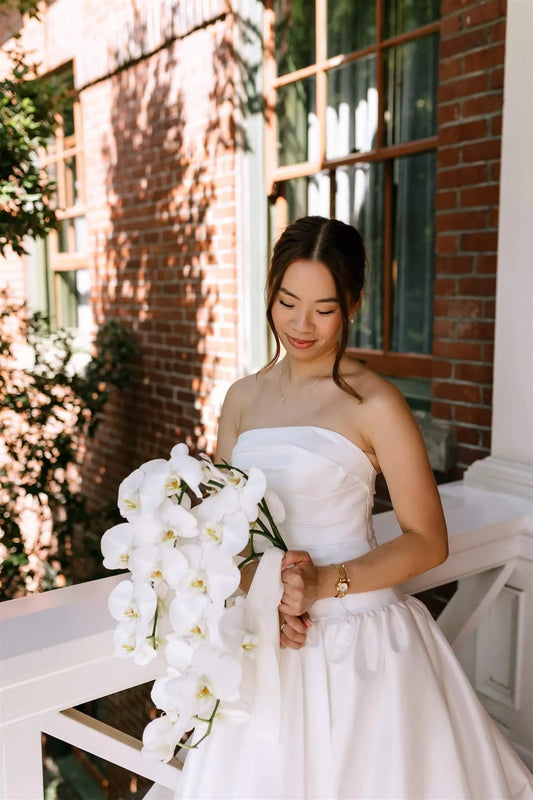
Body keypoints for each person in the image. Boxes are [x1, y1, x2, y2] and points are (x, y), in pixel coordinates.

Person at [175, 215, 533, 799]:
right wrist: (267, 592)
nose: (301, 324)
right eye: (288, 302)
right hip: (273, 638)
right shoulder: (240, 398)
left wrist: (323, 585)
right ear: (271, 293)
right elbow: (228, 534)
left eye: (324, 307)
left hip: (363, 643)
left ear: (353, 303)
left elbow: (426, 539)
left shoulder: (376, 403)